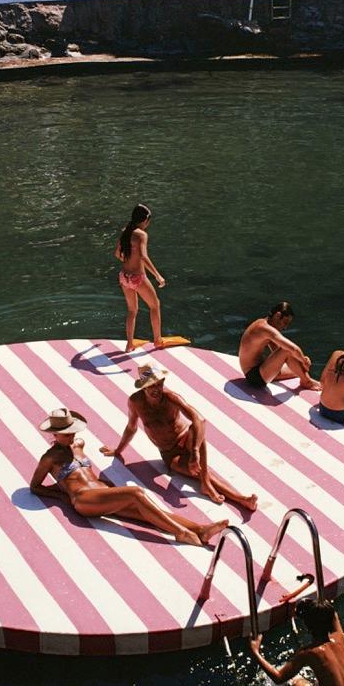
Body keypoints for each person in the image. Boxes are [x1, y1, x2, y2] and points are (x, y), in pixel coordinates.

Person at [30, 407, 229, 547]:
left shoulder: (79, 444)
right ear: (54, 435)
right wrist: (62, 496)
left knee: (148, 511)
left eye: (72, 432)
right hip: (83, 499)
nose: (71, 436)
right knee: (136, 493)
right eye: (65, 434)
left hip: (102, 493)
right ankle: (181, 533)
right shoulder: (49, 458)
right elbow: (35, 486)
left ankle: (200, 529)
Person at [101, 362, 258, 510]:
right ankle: (233, 495)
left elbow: (200, 419)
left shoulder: (171, 398)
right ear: (143, 387)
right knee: (196, 471)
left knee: (197, 429)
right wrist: (118, 450)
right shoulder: (135, 402)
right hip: (170, 453)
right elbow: (131, 427)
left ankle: (228, 492)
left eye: (159, 384)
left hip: (187, 440)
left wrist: (195, 451)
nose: (156, 389)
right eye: (151, 386)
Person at [249, 598, 344, 686]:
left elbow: (278, 678)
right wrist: (318, 605)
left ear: (307, 626)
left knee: (293, 681)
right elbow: (333, 615)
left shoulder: (308, 653)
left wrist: (255, 652)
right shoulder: (339, 638)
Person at [114, 203, 165, 350]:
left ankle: (130, 343)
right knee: (155, 306)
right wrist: (158, 276)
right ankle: (157, 340)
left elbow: (117, 254)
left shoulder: (125, 232)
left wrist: (129, 260)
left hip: (124, 277)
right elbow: (143, 257)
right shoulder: (141, 235)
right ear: (145, 220)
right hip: (137, 278)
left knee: (132, 310)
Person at [238, 302, 320, 391]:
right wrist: (303, 360)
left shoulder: (266, 325)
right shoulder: (263, 328)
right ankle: (306, 382)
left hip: (261, 371)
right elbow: (292, 348)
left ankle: (306, 380)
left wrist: (301, 362)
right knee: (288, 350)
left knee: (299, 368)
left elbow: (277, 350)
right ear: (277, 315)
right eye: (285, 322)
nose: (285, 327)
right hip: (254, 377)